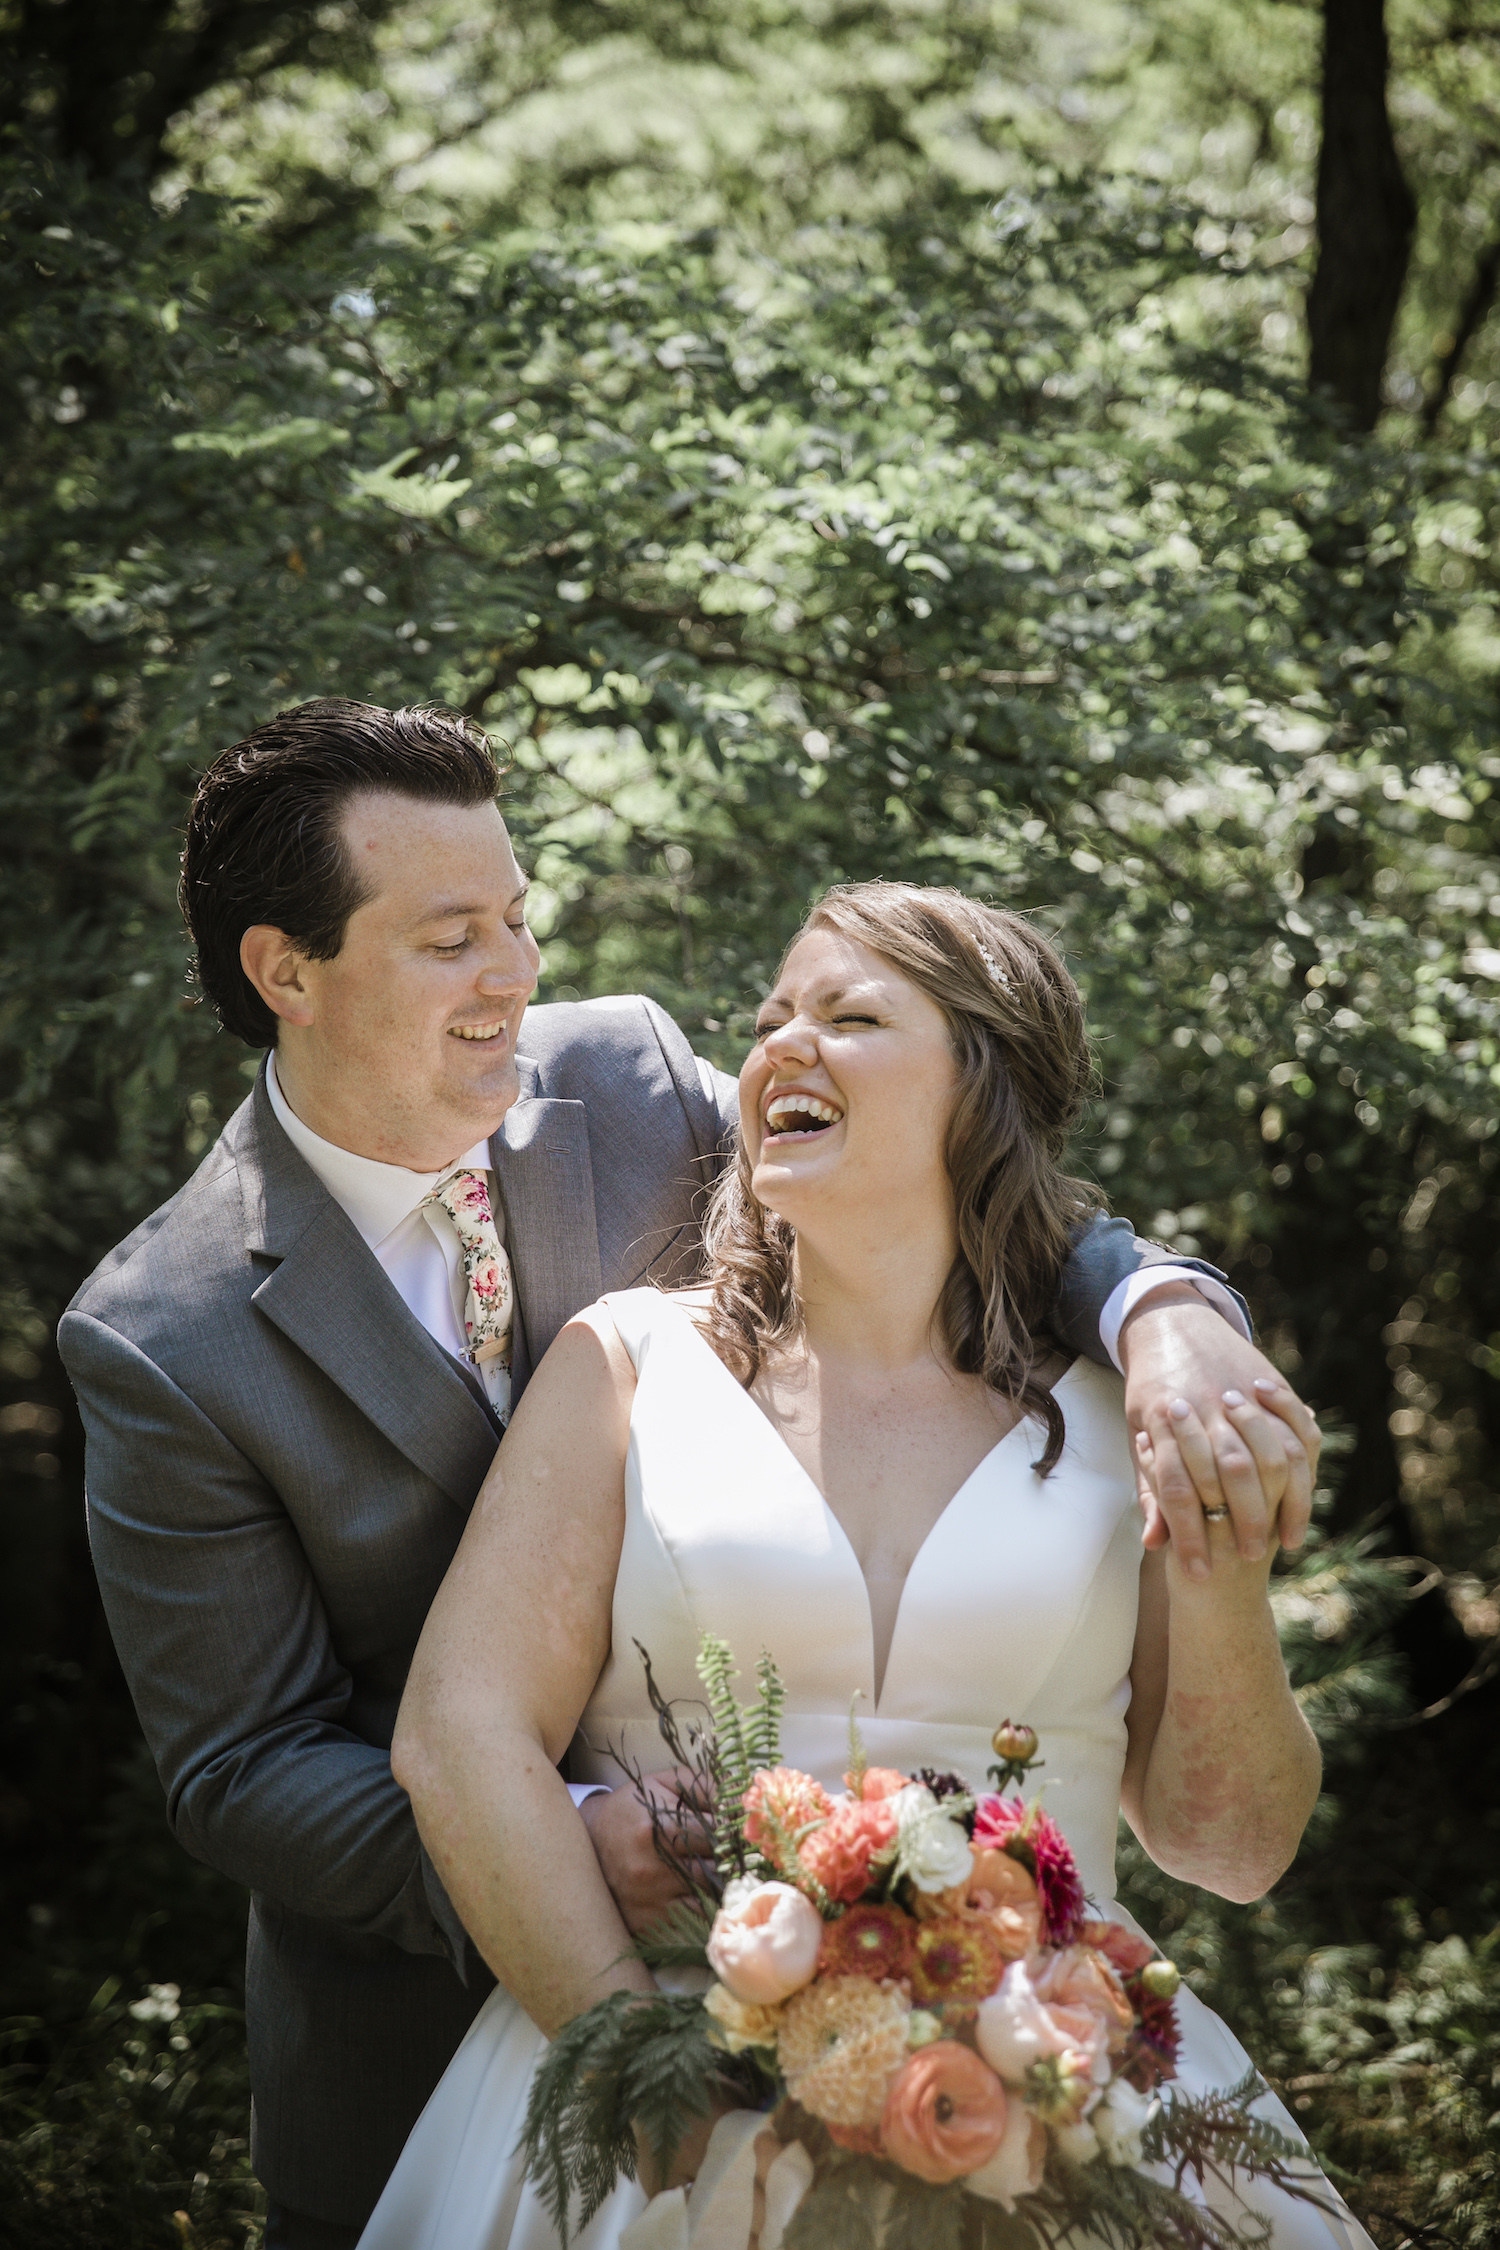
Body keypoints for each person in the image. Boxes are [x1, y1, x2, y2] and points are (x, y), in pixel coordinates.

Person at [59, 703, 1316, 2249]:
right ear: (287, 972)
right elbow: (240, 1761)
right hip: (466, 2033)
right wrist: (565, 1848)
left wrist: (1167, 1313)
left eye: (518, 917)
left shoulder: (630, 1078)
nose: (514, 972)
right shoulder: (162, 1334)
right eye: (452, 936)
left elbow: (945, 1176)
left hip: (1030, 2045)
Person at [369, 881, 1370, 2250]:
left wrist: (1220, 1559)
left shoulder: (1127, 1408)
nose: (784, 1043)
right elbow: (460, 1730)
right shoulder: (629, 1362)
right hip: (670, 2067)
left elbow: (1232, 1843)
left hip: (1058, 2071)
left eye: (850, 1014)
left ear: (985, 1086)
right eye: (774, 1015)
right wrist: (635, 2062)